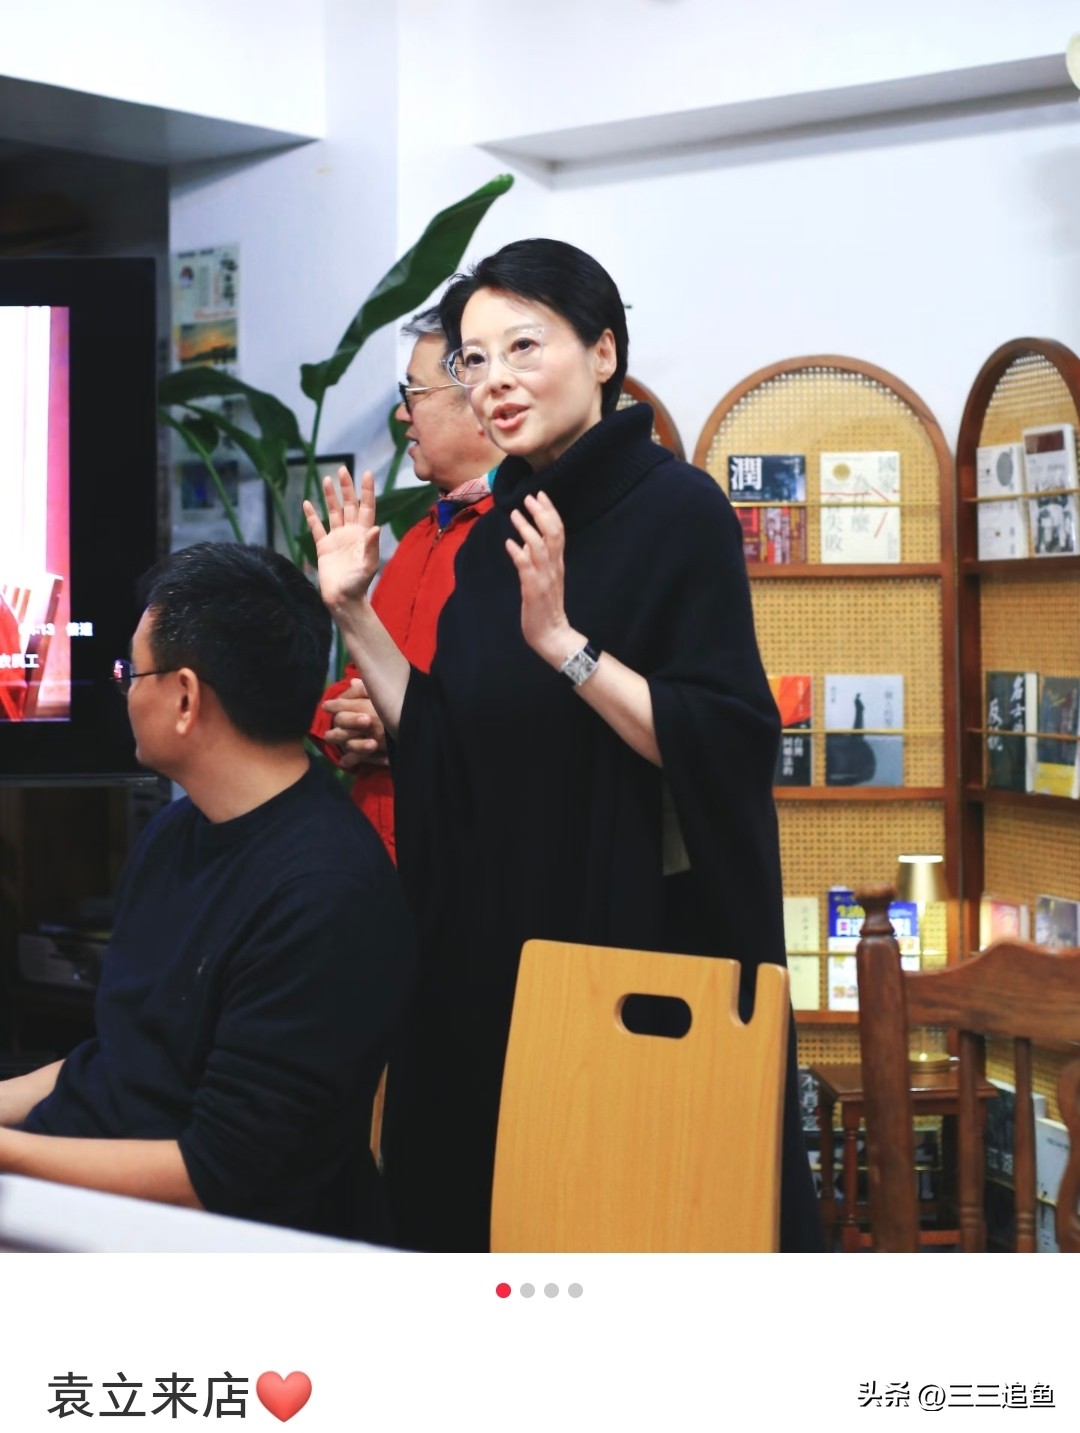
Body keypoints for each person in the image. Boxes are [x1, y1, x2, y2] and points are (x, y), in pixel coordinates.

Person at [304, 238, 823, 1253]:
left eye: (523, 346)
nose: (493, 379)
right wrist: (353, 610)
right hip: (490, 948)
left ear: (603, 352)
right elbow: (440, 741)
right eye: (473, 358)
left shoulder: (679, 510)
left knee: (622, 1233)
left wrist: (563, 645)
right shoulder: (500, 527)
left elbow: (723, 740)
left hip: (632, 948)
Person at [0, 542, 415, 1243]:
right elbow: (121, 1057)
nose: (124, 690)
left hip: (200, 1242)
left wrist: (9, 1157)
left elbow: (214, 1175)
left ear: (186, 698)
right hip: (88, 1190)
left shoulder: (325, 896)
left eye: (132, 672)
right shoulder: (177, 829)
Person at [310, 307, 501, 861]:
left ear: (481, 402)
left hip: (468, 859)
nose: (401, 414)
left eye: (412, 393)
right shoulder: (420, 536)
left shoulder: (521, 534)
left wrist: (403, 727)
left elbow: (524, 720)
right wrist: (348, 725)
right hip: (382, 861)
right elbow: (357, 685)